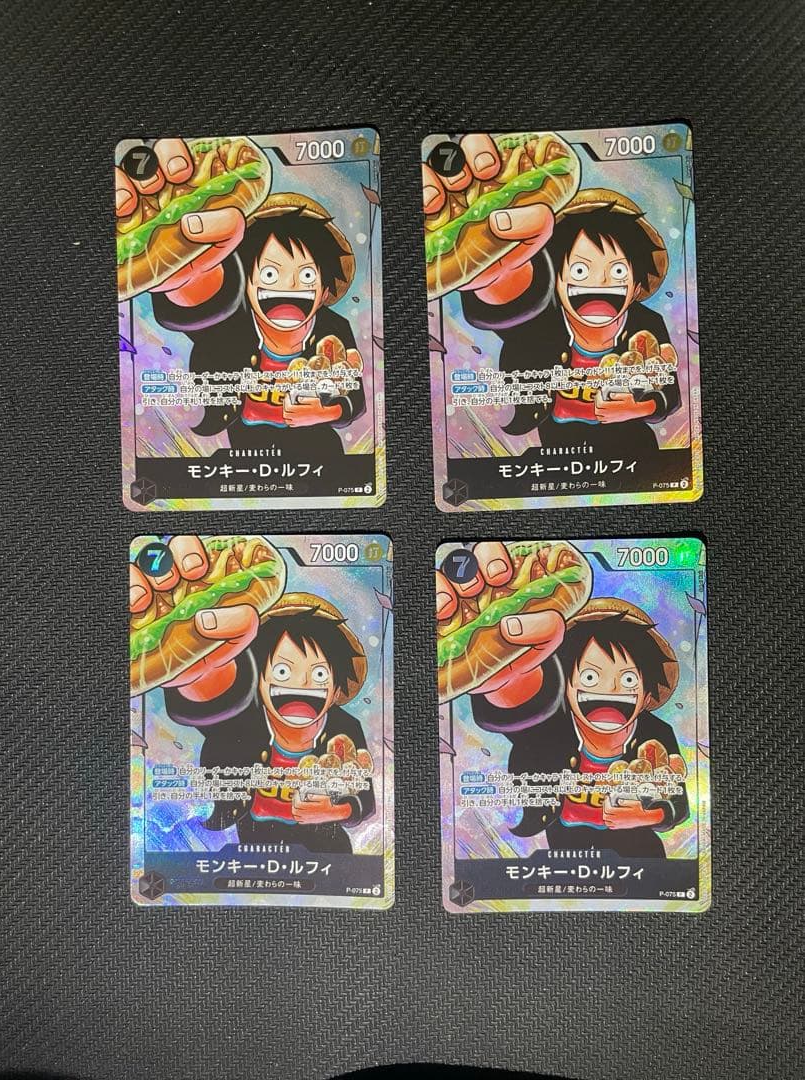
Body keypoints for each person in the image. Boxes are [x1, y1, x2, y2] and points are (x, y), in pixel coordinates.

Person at [422, 135, 682, 476]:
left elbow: (670, 392)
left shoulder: (647, 325)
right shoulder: (547, 321)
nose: (599, 284)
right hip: (556, 456)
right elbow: (516, 304)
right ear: (558, 277)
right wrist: (492, 264)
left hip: (634, 455)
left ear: (636, 285)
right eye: (580, 270)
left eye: (618, 272)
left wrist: (639, 407)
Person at [115, 138, 364, 469]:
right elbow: (205, 305)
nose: (289, 287)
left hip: (319, 452)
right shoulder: (237, 321)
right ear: (248, 279)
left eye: (306, 276)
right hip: (245, 451)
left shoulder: (334, 328)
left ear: (324, 287)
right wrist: (184, 270)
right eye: (270, 274)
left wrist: (325, 411)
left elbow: (355, 397)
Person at [435, 541, 689, 858]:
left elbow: (678, 802)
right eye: (590, 677)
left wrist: (646, 815)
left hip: (638, 853)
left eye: (627, 680)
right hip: (566, 849)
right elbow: (524, 713)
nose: (609, 691)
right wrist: (499, 668)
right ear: (568, 682)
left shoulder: (657, 734)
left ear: (647, 692)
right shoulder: (557, 725)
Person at [129, 536, 374, 854]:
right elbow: (217, 701)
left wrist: (335, 810)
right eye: (282, 671)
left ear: (337, 687)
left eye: (319, 675)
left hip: (328, 852)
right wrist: (194, 663)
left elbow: (365, 798)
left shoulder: (346, 729)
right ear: (260, 677)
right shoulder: (248, 717)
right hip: (255, 846)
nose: (300, 686)